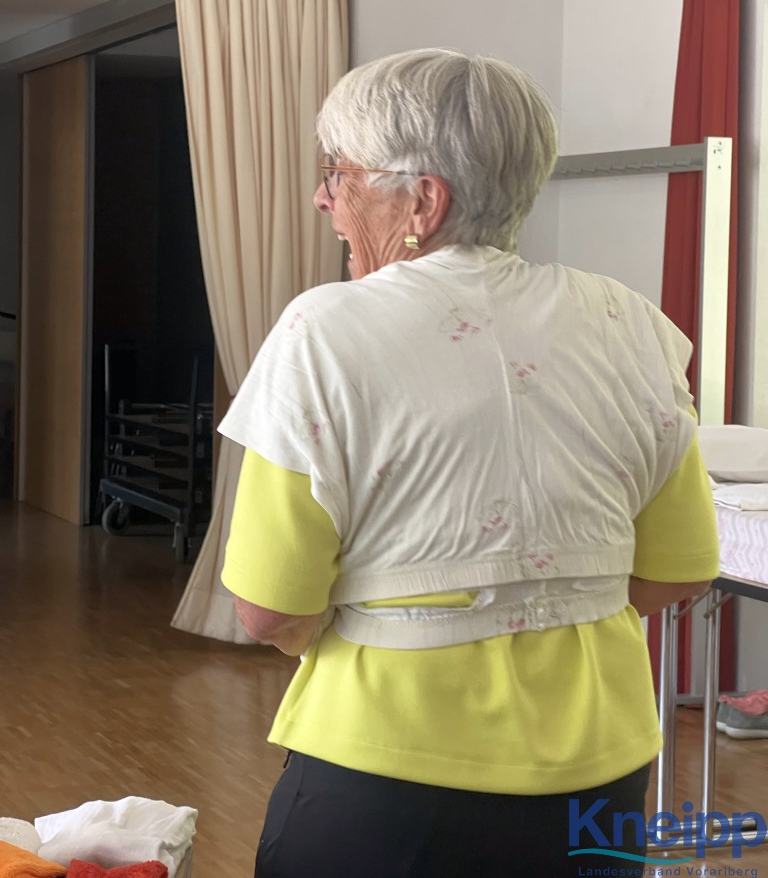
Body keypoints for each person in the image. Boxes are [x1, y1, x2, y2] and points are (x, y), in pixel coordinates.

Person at [218, 49, 719, 878]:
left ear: (424, 200)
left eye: (340, 173)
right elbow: (677, 572)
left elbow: (269, 608)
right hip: (599, 779)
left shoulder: (326, 331)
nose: (323, 196)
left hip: (385, 771)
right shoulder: (632, 324)